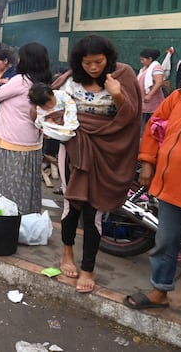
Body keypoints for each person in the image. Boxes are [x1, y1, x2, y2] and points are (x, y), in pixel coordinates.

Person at [51, 34, 142, 294]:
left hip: (107, 152)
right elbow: (53, 109)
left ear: (108, 59)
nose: (93, 67)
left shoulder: (121, 77)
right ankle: (67, 253)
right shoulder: (70, 81)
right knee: (73, 204)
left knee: (96, 211)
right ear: (79, 62)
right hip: (74, 151)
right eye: (87, 63)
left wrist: (118, 96)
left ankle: (88, 268)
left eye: (98, 62)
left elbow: (131, 117)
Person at [124, 76, 181, 311]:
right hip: (172, 187)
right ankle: (160, 291)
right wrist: (148, 162)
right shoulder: (177, 98)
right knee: (166, 241)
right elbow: (154, 127)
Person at [0, 43, 52, 215]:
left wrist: (3, 83)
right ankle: (26, 217)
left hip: (11, 140)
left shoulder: (21, 80)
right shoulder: (45, 81)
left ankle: (7, 219)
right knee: (26, 184)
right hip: (33, 142)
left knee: (7, 184)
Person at [137, 48, 165, 126]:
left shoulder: (156, 67)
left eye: (143, 60)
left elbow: (159, 82)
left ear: (150, 59)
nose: (141, 62)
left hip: (153, 100)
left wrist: (149, 95)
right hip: (144, 100)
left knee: (155, 121)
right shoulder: (145, 69)